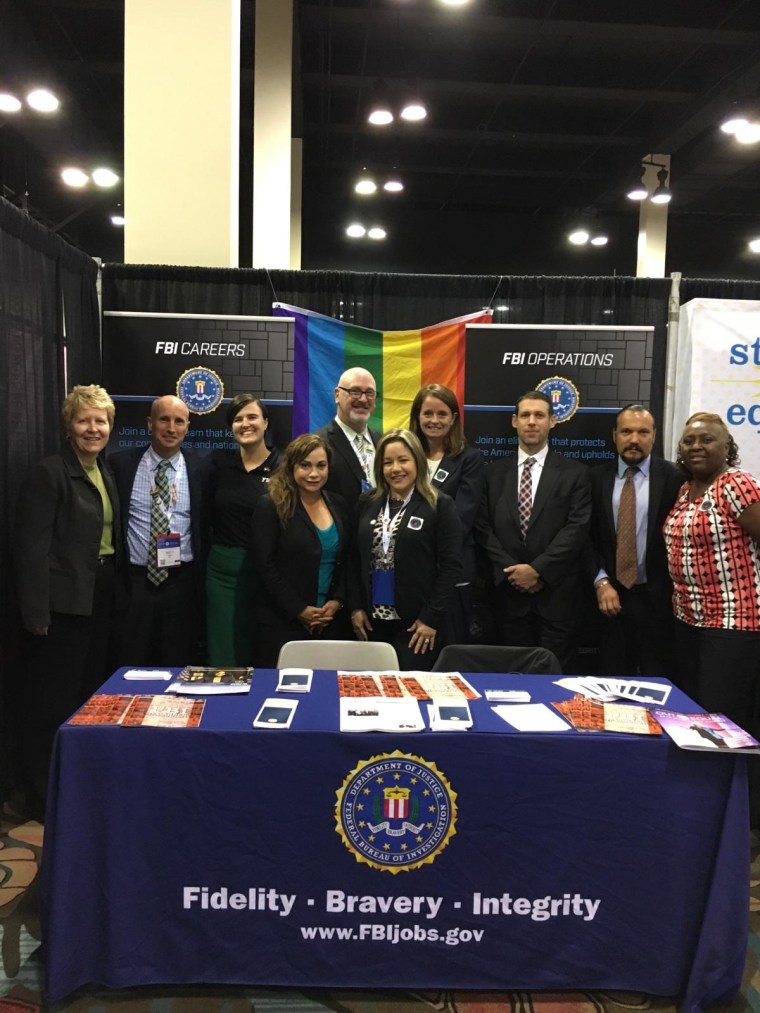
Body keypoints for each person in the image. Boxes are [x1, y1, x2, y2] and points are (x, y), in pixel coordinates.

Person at [14, 384, 124, 818]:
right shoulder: (49, 473)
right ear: (68, 425)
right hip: (60, 608)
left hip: (100, 597)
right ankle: (41, 798)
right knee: (51, 705)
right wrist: (36, 613)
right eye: (84, 420)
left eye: (100, 421)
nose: (93, 429)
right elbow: (30, 550)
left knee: (85, 698)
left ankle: (75, 787)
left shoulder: (105, 469)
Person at [475, 390, 591, 672]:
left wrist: (538, 570)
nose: (531, 421)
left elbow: (576, 530)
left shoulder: (575, 473)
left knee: (553, 682)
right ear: (514, 421)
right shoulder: (491, 473)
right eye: (525, 415)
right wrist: (512, 572)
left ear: (553, 421)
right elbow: (482, 526)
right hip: (507, 599)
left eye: (539, 415)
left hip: (557, 599)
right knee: (510, 681)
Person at [664, 411, 760, 733]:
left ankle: (737, 783)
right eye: (689, 440)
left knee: (725, 720)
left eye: (707, 439)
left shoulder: (736, 484)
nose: (696, 446)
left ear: (726, 446)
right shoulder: (686, 490)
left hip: (734, 621)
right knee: (697, 714)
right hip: (689, 621)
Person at [349, 428, 462, 670]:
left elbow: (450, 567)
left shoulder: (439, 504)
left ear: (418, 462)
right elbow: (352, 559)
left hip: (416, 625)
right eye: (388, 462)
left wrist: (430, 619)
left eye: (403, 460)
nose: (395, 469)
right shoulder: (367, 502)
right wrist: (356, 607)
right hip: (371, 622)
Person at [110, 394, 210, 666]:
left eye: (179, 421)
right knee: (130, 660)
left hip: (182, 583)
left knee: (178, 661)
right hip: (135, 582)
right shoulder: (120, 465)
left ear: (187, 427)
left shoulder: (202, 469)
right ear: (149, 423)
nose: (171, 428)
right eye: (164, 419)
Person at [588, 404, 682, 677]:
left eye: (643, 432)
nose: (634, 440)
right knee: (611, 680)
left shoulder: (676, 479)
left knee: (659, 680)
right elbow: (584, 538)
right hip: (608, 598)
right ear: (615, 435)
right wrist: (601, 581)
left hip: (659, 600)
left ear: (654, 436)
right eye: (627, 431)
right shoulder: (594, 478)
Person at [251, 433, 351, 666]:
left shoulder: (339, 505)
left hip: (329, 621)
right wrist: (299, 609)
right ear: (291, 466)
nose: (314, 473)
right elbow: (264, 566)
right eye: (305, 465)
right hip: (281, 621)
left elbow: (347, 561)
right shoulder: (271, 505)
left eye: (321, 465)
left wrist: (337, 602)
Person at [206, 394, 280, 666]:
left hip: (269, 573)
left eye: (252, 417)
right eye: (238, 419)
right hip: (222, 572)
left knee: (262, 646)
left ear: (265, 423)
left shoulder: (283, 467)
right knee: (225, 650)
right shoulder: (217, 464)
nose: (245, 424)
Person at [409, 382, 485, 642]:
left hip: (453, 570)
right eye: (427, 413)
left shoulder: (469, 459)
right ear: (417, 417)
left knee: (449, 650)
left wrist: (420, 541)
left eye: (442, 414)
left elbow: (462, 518)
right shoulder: (405, 457)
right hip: (411, 570)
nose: (434, 420)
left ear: (453, 419)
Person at [316, 366, 380, 508]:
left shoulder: (382, 442)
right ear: (337, 395)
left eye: (370, 393)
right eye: (355, 391)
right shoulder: (318, 444)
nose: (363, 399)